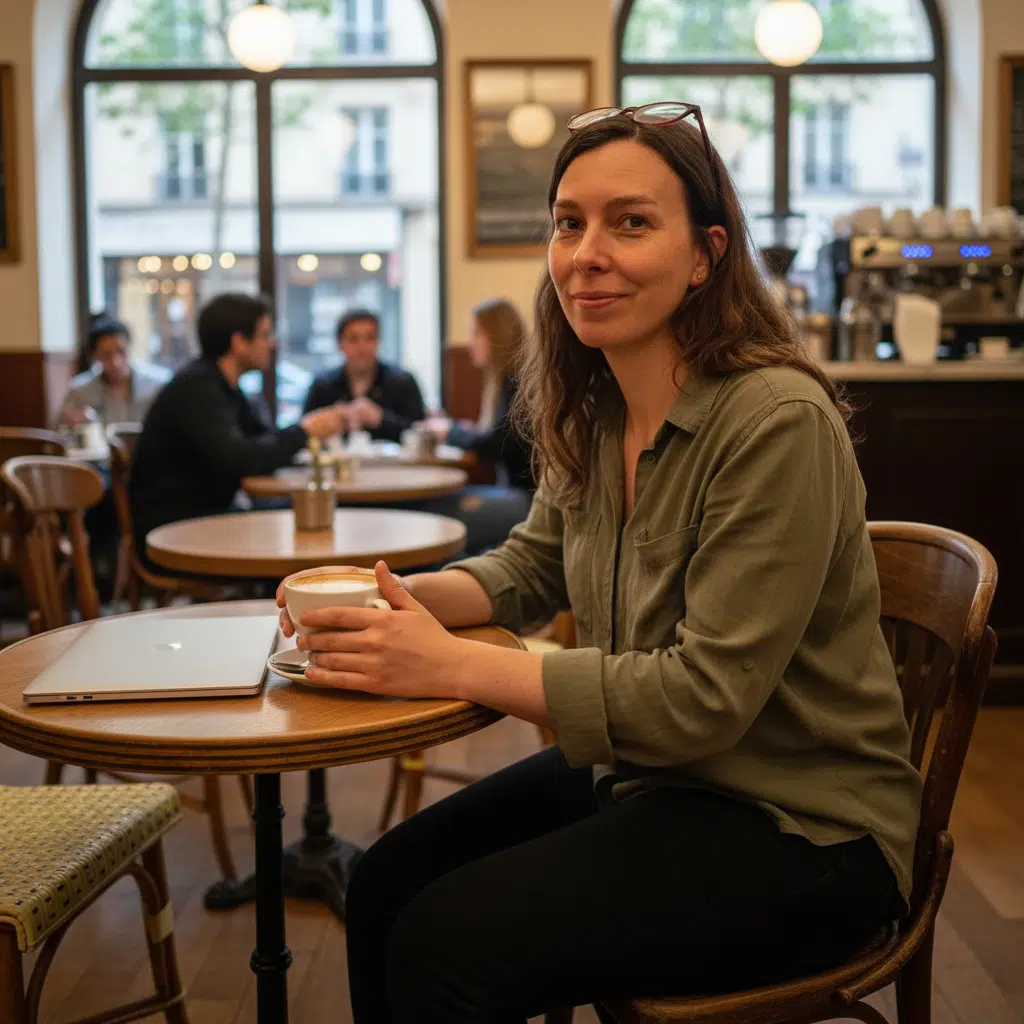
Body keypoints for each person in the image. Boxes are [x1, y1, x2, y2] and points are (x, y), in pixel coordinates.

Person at [278, 104, 921, 1021]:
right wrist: (377, 602)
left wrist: (455, 663)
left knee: (445, 943)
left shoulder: (775, 420)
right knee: (384, 882)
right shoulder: (598, 409)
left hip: (804, 829)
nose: (587, 252)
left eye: (630, 222)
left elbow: (703, 700)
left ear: (705, 255)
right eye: (568, 222)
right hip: (659, 779)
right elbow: (526, 571)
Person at [130, 293, 346, 567]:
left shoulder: (225, 387)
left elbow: (263, 443)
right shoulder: (197, 389)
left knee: (307, 522)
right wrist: (305, 431)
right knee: (300, 530)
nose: (273, 344)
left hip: (210, 516)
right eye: (265, 335)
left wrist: (305, 432)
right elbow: (239, 458)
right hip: (176, 529)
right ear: (239, 343)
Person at [419, 298, 534, 555]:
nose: (471, 341)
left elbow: (495, 445)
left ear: (495, 336)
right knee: (438, 508)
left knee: (440, 517)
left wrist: (449, 431)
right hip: (515, 493)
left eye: (476, 332)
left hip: (530, 502)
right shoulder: (510, 379)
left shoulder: (519, 383)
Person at [302, 309, 426, 442]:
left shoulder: (403, 382)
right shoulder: (323, 384)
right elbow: (304, 432)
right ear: (340, 344)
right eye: (353, 339)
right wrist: (332, 419)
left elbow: (422, 433)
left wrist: (380, 418)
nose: (362, 347)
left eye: (370, 338)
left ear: (378, 341)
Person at [56, 313, 169, 429]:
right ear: (95, 356)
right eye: (106, 355)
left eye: (121, 351)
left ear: (130, 347)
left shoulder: (157, 384)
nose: (115, 362)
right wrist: (71, 426)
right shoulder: (80, 391)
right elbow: (59, 430)